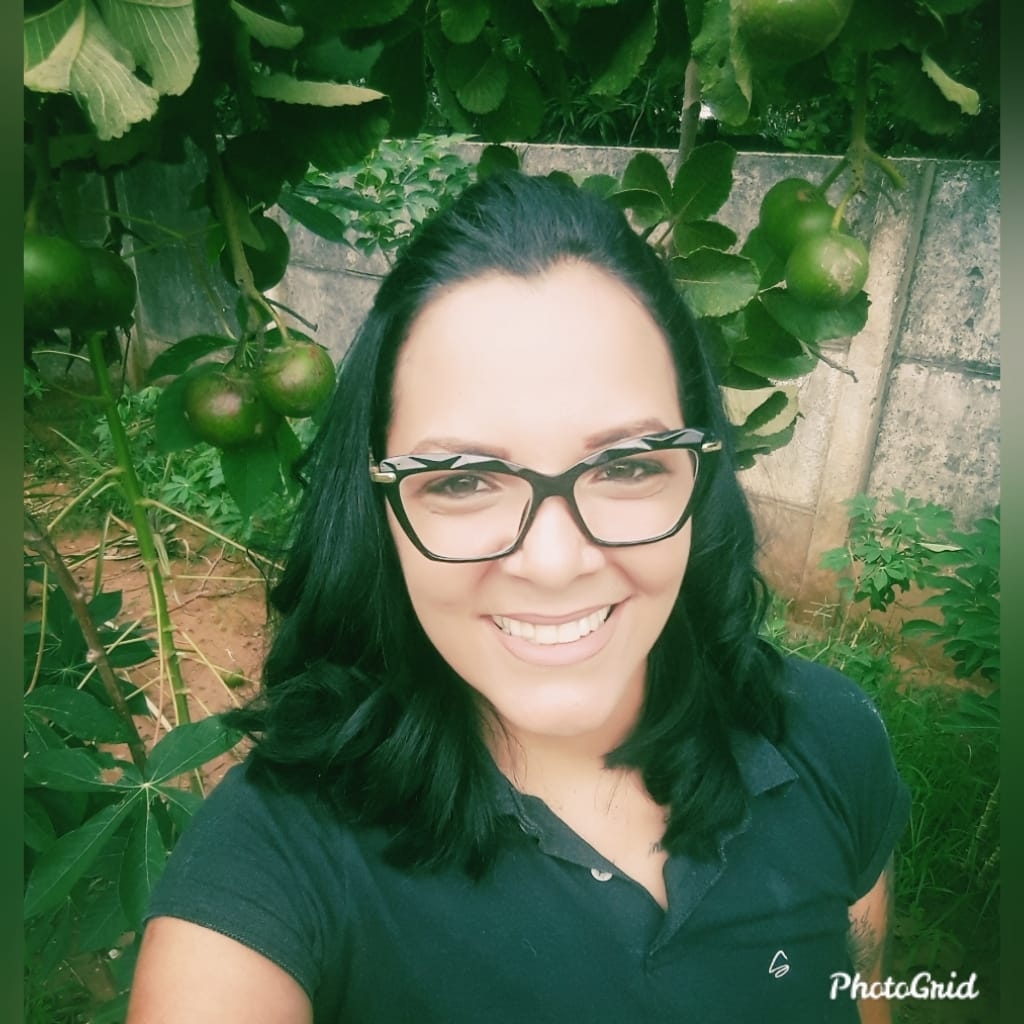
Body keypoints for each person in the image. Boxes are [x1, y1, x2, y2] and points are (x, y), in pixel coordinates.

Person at [126, 171, 910, 1024]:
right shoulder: (270, 868)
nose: (554, 561)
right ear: (377, 504)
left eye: (626, 466)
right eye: (462, 480)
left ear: (699, 472)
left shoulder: (831, 741)